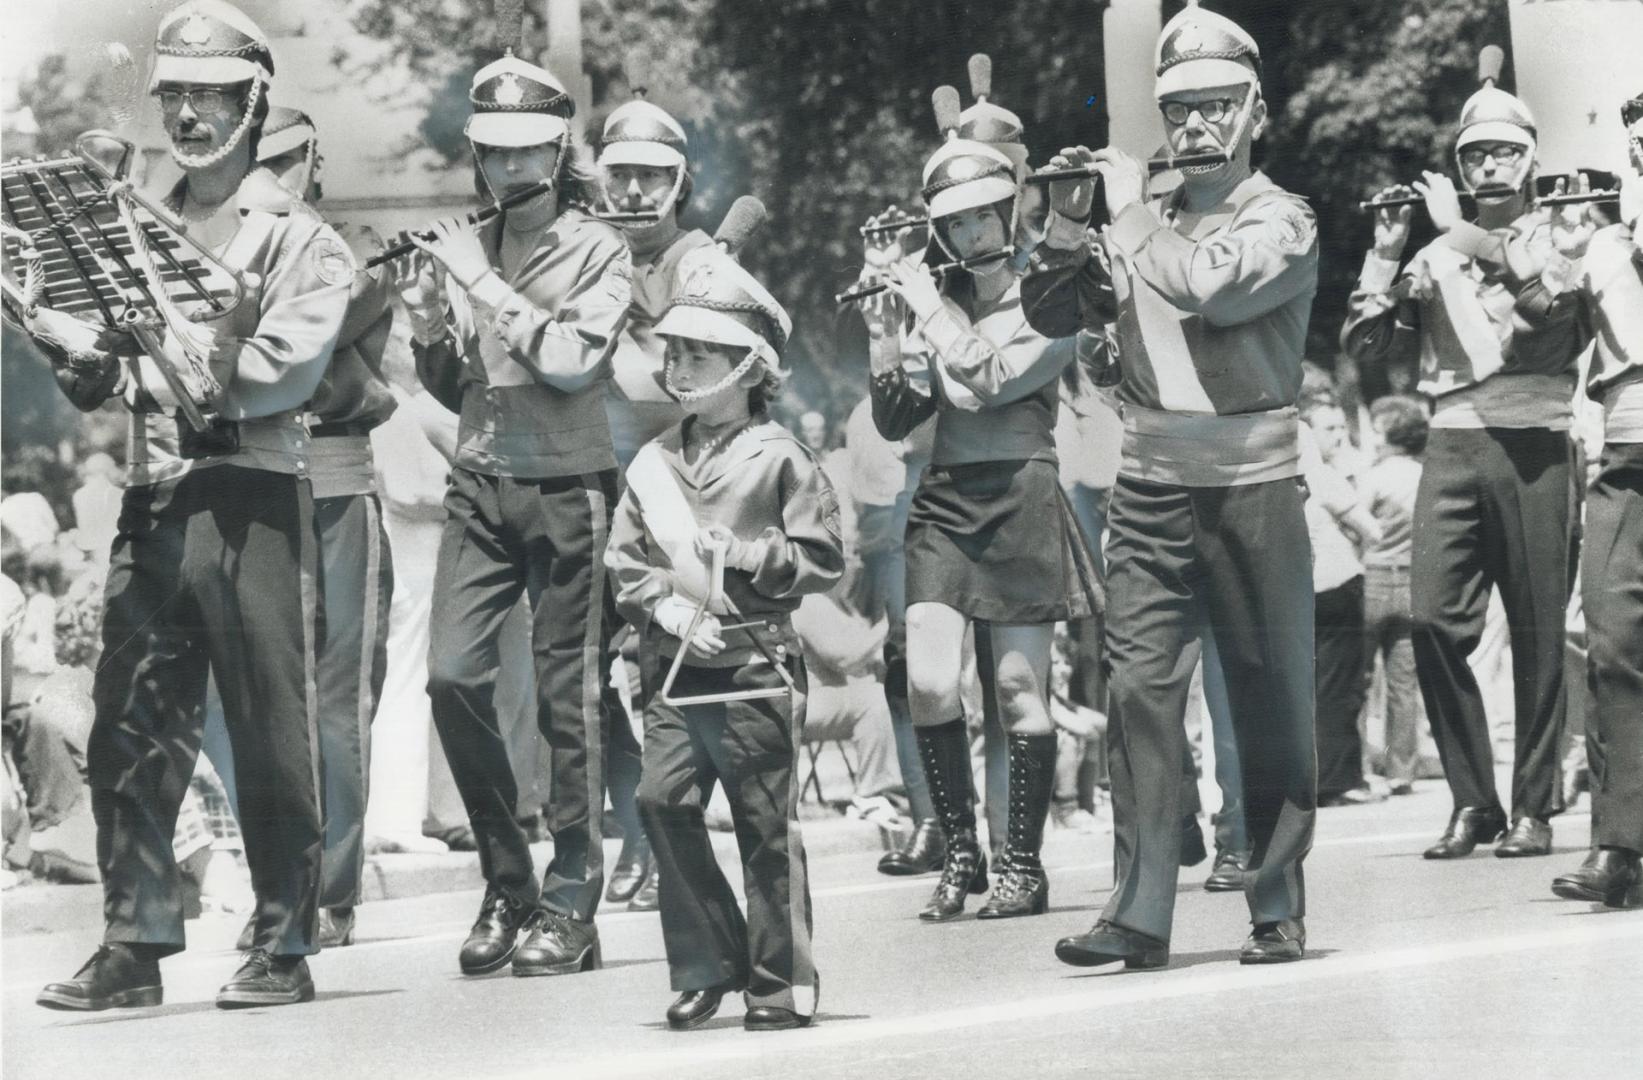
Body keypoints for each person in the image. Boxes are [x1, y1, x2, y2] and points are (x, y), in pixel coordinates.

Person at [22, 0, 351, 1010]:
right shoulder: (125, 213)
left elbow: (273, 377)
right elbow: (105, 377)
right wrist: (64, 338)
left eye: (210, 96)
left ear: (255, 102)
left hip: (251, 488)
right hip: (156, 488)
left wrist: (160, 326)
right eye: (174, 95)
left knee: (266, 727)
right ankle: (133, 943)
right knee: (131, 723)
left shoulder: (303, 240)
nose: (189, 116)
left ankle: (284, 942)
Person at [1024, 3, 1320, 968]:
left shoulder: (1284, 217)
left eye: (1216, 107)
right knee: (1138, 694)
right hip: (1148, 486)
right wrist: (1067, 231)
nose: (1194, 128)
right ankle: (1139, 909)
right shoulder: (1136, 218)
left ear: (1255, 113)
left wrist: (1122, 218)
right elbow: (1045, 311)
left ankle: (1273, 900)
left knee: (1267, 694)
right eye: (1179, 110)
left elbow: (1209, 284)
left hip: (1252, 484)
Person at [394, 35, 633, 977]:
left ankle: (573, 896)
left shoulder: (598, 248)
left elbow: (574, 364)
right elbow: (461, 385)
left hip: (567, 485)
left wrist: (482, 284)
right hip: (481, 481)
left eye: (526, 149)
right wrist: (424, 322)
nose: (506, 166)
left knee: (567, 706)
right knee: (451, 677)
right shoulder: (475, 244)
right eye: (493, 150)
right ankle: (508, 879)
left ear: (558, 149)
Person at [1341, 48, 1590, 860]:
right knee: (1430, 623)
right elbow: (1369, 349)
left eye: (1503, 152)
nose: (1488, 165)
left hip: (1533, 439)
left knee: (1535, 629)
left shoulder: (1559, 233)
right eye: (1474, 154)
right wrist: (1385, 255)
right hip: (1449, 438)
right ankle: (1472, 799)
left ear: (1530, 160)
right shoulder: (1435, 248)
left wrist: (1462, 238)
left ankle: (1534, 807)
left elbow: (1544, 321)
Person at [861, 94, 1094, 924]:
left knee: (1017, 687)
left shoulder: (1052, 291)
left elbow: (989, 379)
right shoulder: (938, 295)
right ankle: (959, 850)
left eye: (981, 217)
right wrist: (884, 329)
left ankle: (1021, 865)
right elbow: (900, 416)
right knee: (927, 680)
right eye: (952, 225)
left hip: (1022, 491)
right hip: (946, 500)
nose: (969, 236)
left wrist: (925, 309)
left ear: (1008, 207)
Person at [606, 247, 843, 1031]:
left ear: (747, 367)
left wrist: (746, 556)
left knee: (762, 823)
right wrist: (671, 615)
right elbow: (625, 562)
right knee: (659, 800)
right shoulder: (651, 461)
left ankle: (781, 983)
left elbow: (822, 559)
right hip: (673, 661)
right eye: (674, 350)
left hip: (754, 663)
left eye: (699, 352)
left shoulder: (780, 457)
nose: (678, 364)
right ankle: (711, 960)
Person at [241, 104, 398, 948]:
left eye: (285, 161)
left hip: (337, 481)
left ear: (309, 163)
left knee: (338, 705)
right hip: (260, 481)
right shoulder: (224, 245)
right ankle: (284, 889)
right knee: (269, 703)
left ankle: (330, 892)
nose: (269, 179)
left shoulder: (354, 249)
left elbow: (315, 336)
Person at [594, 87, 713, 907]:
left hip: (680, 489)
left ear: (679, 182)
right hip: (592, 484)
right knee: (590, 678)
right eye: (620, 176)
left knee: (674, 670)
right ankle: (632, 831)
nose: (633, 193)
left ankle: (672, 836)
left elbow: (688, 381)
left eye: (651, 176)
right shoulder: (585, 253)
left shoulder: (705, 262)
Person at [1549, 91, 1643, 908]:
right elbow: (1538, 336)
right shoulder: (1608, 246)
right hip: (1624, 449)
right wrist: (1563, 261)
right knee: (1610, 644)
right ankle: (1618, 845)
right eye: (1639, 149)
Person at [1361, 394, 1430, 795]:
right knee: (1405, 684)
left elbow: (1360, 521)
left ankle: (1361, 765)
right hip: (1411, 580)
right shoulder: (1423, 475)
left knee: (1361, 678)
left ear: (1389, 434)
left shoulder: (1376, 475)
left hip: (1373, 577)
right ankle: (1402, 769)